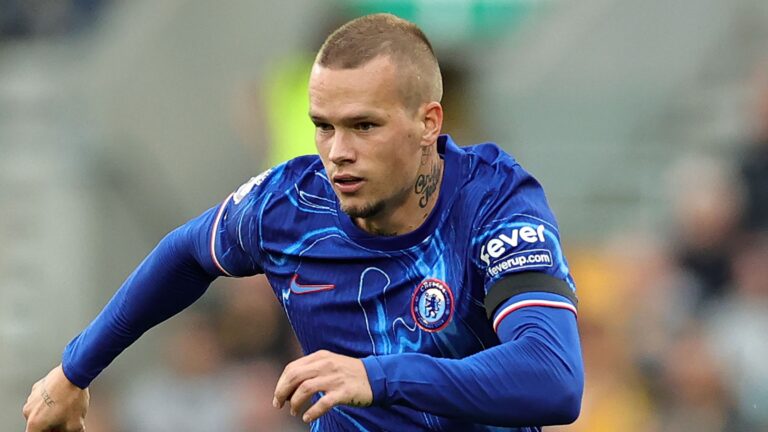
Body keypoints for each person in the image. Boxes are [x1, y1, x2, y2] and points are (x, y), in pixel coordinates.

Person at [23, 13, 583, 432]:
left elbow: (554, 377)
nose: (338, 152)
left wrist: (376, 376)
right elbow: (186, 253)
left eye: (364, 126)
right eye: (324, 126)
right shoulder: (289, 205)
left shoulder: (493, 203)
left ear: (428, 123)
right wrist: (73, 372)